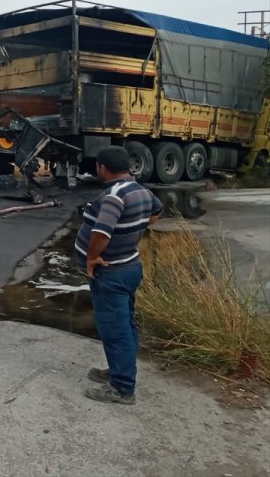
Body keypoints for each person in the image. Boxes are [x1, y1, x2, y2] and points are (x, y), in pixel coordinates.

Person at [75, 145, 163, 405]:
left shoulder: (114, 196)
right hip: (130, 267)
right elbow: (157, 212)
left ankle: (122, 388)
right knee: (125, 324)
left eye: (98, 167)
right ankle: (118, 370)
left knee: (115, 330)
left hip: (111, 273)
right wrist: (134, 229)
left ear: (102, 168)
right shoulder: (141, 190)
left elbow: (101, 233)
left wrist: (92, 258)